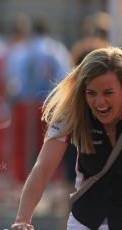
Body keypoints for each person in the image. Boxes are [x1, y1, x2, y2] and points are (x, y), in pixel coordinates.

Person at [11, 46, 122, 230]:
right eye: (91, 93)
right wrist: (22, 220)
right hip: (85, 220)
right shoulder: (73, 112)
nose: (99, 102)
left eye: (108, 93)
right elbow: (42, 169)